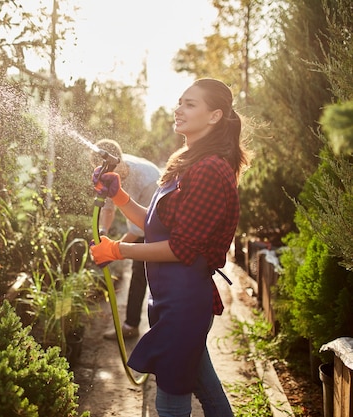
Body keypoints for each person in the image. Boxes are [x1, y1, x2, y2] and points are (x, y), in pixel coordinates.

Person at [90, 78, 250, 417]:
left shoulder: (210, 170)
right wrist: (119, 195)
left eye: (190, 104)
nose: (178, 109)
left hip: (184, 304)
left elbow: (181, 248)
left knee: (170, 400)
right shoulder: (187, 161)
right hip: (169, 301)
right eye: (180, 101)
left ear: (215, 116)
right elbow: (154, 222)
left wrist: (119, 250)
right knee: (207, 389)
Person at [89, 139, 161, 340]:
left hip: (159, 226)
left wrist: (112, 250)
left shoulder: (148, 179)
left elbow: (143, 226)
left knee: (144, 273)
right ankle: (134, 325)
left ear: (119, 161)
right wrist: (102, 232)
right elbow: (109, 207)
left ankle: (141, 327)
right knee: (138, 272)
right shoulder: (111, 171)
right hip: (141, 222)